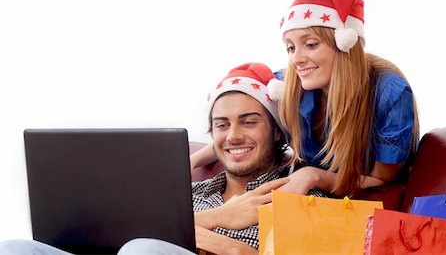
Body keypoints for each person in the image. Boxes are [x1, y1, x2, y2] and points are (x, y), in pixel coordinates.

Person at [1, 62, 327, 254]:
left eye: (248, 121)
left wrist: (219, 243)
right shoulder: (187, 196)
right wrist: (217, 219)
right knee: (15, 248)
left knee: (143, 249)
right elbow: (115, 235)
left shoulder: (295, 192)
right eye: (221, 125)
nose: (233, 135)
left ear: (275, 131)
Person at [192, 0, 420, 198]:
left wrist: (314, 175)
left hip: (360, 203)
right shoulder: (287, 83)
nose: (296, 59)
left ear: (345, 44)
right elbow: (240, 131)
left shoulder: (390, 94)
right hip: (307, 199)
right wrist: (189, 163)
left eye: (310, 44)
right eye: (290, 48)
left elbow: (381, 179)